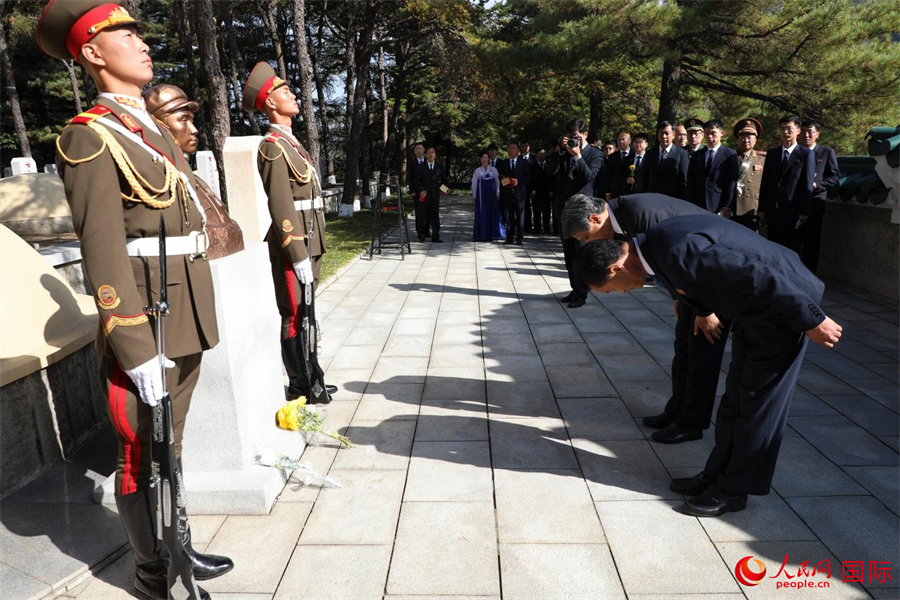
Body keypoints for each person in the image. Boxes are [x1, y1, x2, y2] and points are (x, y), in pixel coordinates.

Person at [38, 1, 231, 596]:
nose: (143, 44)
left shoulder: (147, 129)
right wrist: (133, 345)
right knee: (141, 451)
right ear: (93, 53)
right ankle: (152, 575)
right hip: (144, 320)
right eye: (125, 36)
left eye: (140, 35)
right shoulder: (88, 135)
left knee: (171, 443)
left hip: (184, 312)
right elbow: (102, 249)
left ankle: (179, 545)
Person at [576, 215, 842, 517]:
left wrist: (813, 318)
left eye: (612, 290)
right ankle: (716, 475)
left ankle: (734, 491)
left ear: (615, 268)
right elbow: (703, 278)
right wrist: (693, 303)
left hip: (784, 305)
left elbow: (758, 274)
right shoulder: (653, 249)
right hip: (754, 310)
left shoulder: (674, 251)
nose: (622, 292)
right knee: (734, 401)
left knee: (757, 407)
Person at [561, 193, 727, 445]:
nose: (588, 243)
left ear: (595, 219)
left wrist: (704, 309)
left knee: (702, 350)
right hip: (692, 285)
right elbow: (667, 265)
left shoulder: (642, 216)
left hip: (713, 281)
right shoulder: (626, 215)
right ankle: (677, 410)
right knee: (683, 347)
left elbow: (684, 257)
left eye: (586, 237)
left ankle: (690, 423)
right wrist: (678, 295)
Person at [243, 61, 336, 404]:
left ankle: (314, 377)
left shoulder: (290, 142)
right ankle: (300, 384)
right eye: (284, 91)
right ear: (269, 102)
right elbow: (281, 205)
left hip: (311, 240)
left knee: (308, 311)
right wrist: (296, 254)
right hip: (294, 245)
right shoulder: (272, 146)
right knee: (295, 314)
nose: (293, 95)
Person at [143, 84, 245, 260]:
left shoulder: (195, 181)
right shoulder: (159, 183)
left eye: (192, 120)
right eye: (183, 120)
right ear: (157, 125)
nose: (194, 129)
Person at [554, 118, 604, 308]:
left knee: (581, 253)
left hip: (583, 211)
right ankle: (575, 289)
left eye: (576, 136)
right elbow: (551, 171)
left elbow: (589, 176)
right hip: (565, 210)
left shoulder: (595, 154)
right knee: (569, 254)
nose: (573, 140)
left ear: (585, 134)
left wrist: (577, 156)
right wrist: (560, 151)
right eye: (570, 136)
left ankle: (582, 294)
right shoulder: (565, 152)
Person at [759, 115, 816, 253]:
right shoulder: (772, 154)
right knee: (773, 248)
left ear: (798, 131)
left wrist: (804, 211)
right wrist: (762, 208)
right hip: (773, 210)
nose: (785, 132)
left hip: (793, 211)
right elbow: (765, 182)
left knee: (791, 249)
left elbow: (807, 184)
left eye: (789, 128)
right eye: (782, 129)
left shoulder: (805, 154)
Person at [798, 119, 840, 273]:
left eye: (810, 132)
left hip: (814, 202)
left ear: (818, 134)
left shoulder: (826, 152)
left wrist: (817, 185)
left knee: (811, 242)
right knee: (793, 241)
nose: (806, 135)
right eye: (803, 131)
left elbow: (835, 177)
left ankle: (809, 275)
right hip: (794, 202)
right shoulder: (795, 152)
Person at [687, 119, 739, 215]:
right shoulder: (697, 155)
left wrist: (727, 206)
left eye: (713, 133)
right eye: (707, 133)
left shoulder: (729, 155)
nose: (710, 136)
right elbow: (691, 181)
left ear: (722, 133)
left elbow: (731, 184)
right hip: (698, 204)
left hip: (718, 204)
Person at [731, 118, 767, 231]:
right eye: (743, 136)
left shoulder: (763, 159)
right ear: (738, 138)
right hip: (733, 207)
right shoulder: (729, 157)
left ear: (755, 139)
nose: (746, 140)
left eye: (750, 137)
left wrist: (764, 208)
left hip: (753, 208)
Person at [643, 121, 689, 199]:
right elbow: (645, 178)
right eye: (661, 133)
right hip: (652, 198)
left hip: (672, 199)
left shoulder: (681, 154)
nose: (664, 136)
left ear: (673, 135)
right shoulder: (650, 154)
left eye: (667, 133)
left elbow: (684, 180)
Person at [498, 142, 531, 245]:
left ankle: (519, 238)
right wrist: (506, 181)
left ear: (518, 150)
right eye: (510, 148)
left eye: (514, 148)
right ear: (507, 150)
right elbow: (501, 177)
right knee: (509, 217)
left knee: (520, 217)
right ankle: (509, 237)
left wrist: (518, 181)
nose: (512, 150)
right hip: (508, 194)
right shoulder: (504, 163)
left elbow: (528, 176)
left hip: (519, 194)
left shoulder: (523, 162)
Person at [413, 146, 448, 243]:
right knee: (422, 216)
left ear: (435, 155)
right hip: (424, 195)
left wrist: (446, 189)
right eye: (429, 152)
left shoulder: (438, 165)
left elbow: (443, 179)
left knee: (435, 216)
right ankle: (421, 236)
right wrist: (421, 190)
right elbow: (417, 181)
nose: (431, 154)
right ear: (426, 155)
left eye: (433, 152)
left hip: (435, 196)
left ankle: (435, 236)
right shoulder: (421, 166)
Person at [471, 150, 504, 241]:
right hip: (481, 196)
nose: (484, 159)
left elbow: (497, 182)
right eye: (482, 158)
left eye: (486, 157)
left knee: (492, 213)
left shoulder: (494, 170)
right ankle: (482, 234)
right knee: (482, 213)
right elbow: (474, 183)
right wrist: (474, 195)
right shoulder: (477, 171)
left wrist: (497, 193)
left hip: (491, 195)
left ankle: (493, 233)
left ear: (489, 159)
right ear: (480, 159)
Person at [531, 149, 552, 234]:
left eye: (543, 154)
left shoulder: (549, 165)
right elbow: (531, 179)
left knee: (547, 211)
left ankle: (546, 228)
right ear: (536, 155)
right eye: (539, 154)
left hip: (547, 192)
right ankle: (537, 228)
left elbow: (551, 179)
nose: (541, 155)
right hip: (536, 192)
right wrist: (532, 191)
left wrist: (551, 190)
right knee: (536, 211)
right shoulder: (533, 166)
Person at [607, 131, 634, 198]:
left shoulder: (635, 155)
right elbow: (608, 176)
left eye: (623, 139)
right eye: (618, 140)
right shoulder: (612, 157)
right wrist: (608, 192)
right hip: (616, 192)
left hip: (632, 191)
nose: (620, 142)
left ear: (629, 141)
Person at [521, 141, 536, 232]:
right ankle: (524, 226)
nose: (525, 147)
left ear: (529, 147)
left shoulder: (534, 158)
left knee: (534, 206)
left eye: (526, 145)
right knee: (524, 207)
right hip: (522, 187)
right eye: (523, 146)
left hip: (533, 186)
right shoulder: (519, 158)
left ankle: (534, 226)